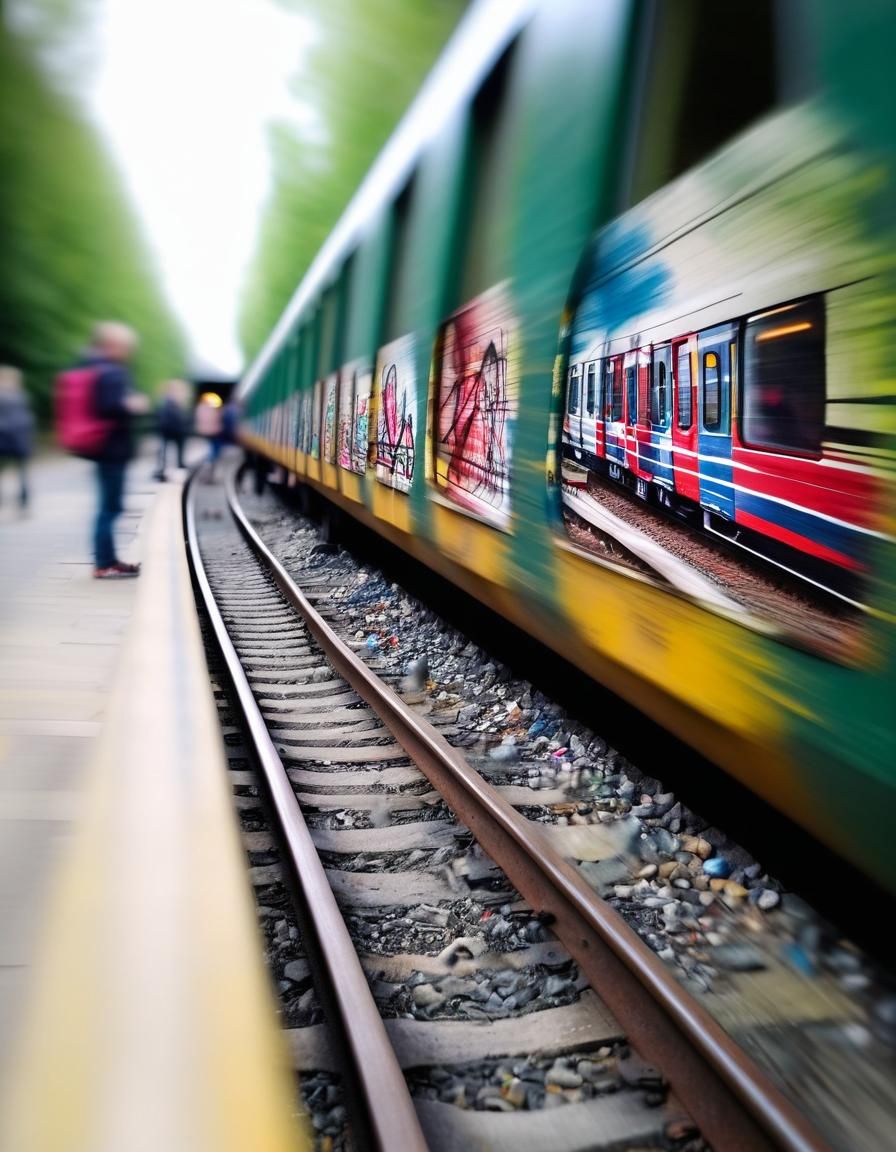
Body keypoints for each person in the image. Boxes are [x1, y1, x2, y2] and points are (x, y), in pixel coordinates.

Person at [80, 322, 149, 578]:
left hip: (105, 448)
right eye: (126, 346)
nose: (129, 351)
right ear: (112, 345)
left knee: (109, 506)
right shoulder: (112, 372)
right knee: (109, 508)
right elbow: (109, 407)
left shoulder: (97, 369)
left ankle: (107, 559)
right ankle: (103, 562)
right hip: (112, 449)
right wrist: (132, 404)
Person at [0, 366, 34, 513]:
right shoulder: (22, 396)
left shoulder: (19, 396)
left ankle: (22, 499)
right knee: (22, 471)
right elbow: (28, 419)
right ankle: (23, 501)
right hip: (17, 438)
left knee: (21, 472)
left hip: (9, 438)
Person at [153, 378, 191, 481]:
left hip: (172, 433)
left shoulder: (172, 404)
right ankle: (163, 472)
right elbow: (168, 420)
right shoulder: (168, 404)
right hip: (170, 433)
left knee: (169, 455)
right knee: (166, 455)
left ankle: (165, 472)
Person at [194, 393, 223, 481]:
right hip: (213, 431)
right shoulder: (211, 409)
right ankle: (209, 462)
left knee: (209, 448)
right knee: (213, 449)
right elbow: (216, 419)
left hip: (203, 431)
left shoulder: (199, 408)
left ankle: (208, 463)